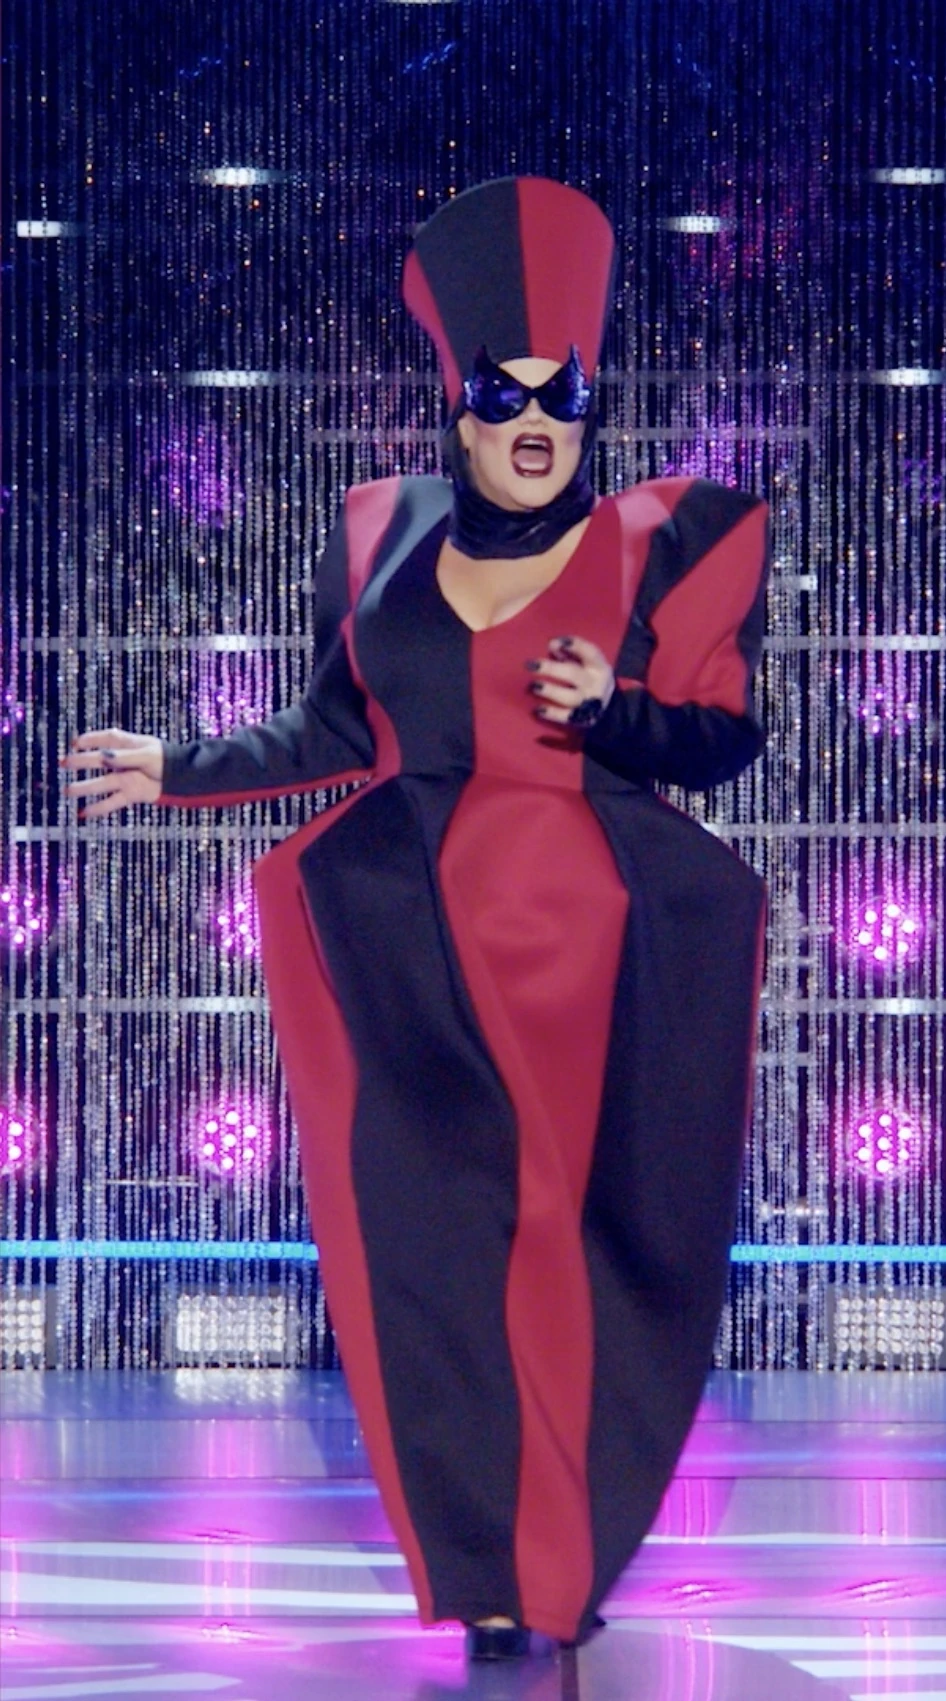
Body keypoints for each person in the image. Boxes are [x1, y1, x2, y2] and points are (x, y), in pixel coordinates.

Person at [63, 177, 769, 1660]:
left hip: (581, 953)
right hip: (398, 946)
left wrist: (617, 711)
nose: (536, 417)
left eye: (564, 393)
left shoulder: (669, 536)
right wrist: (180, 768)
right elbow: (336, 729)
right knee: (428, 1259)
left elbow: (723, 738)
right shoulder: (381, 533)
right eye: (505, 393)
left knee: (569, 1251)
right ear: (461, 408)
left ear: (591, 405)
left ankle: (558, 1557)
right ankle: (482, 1567)